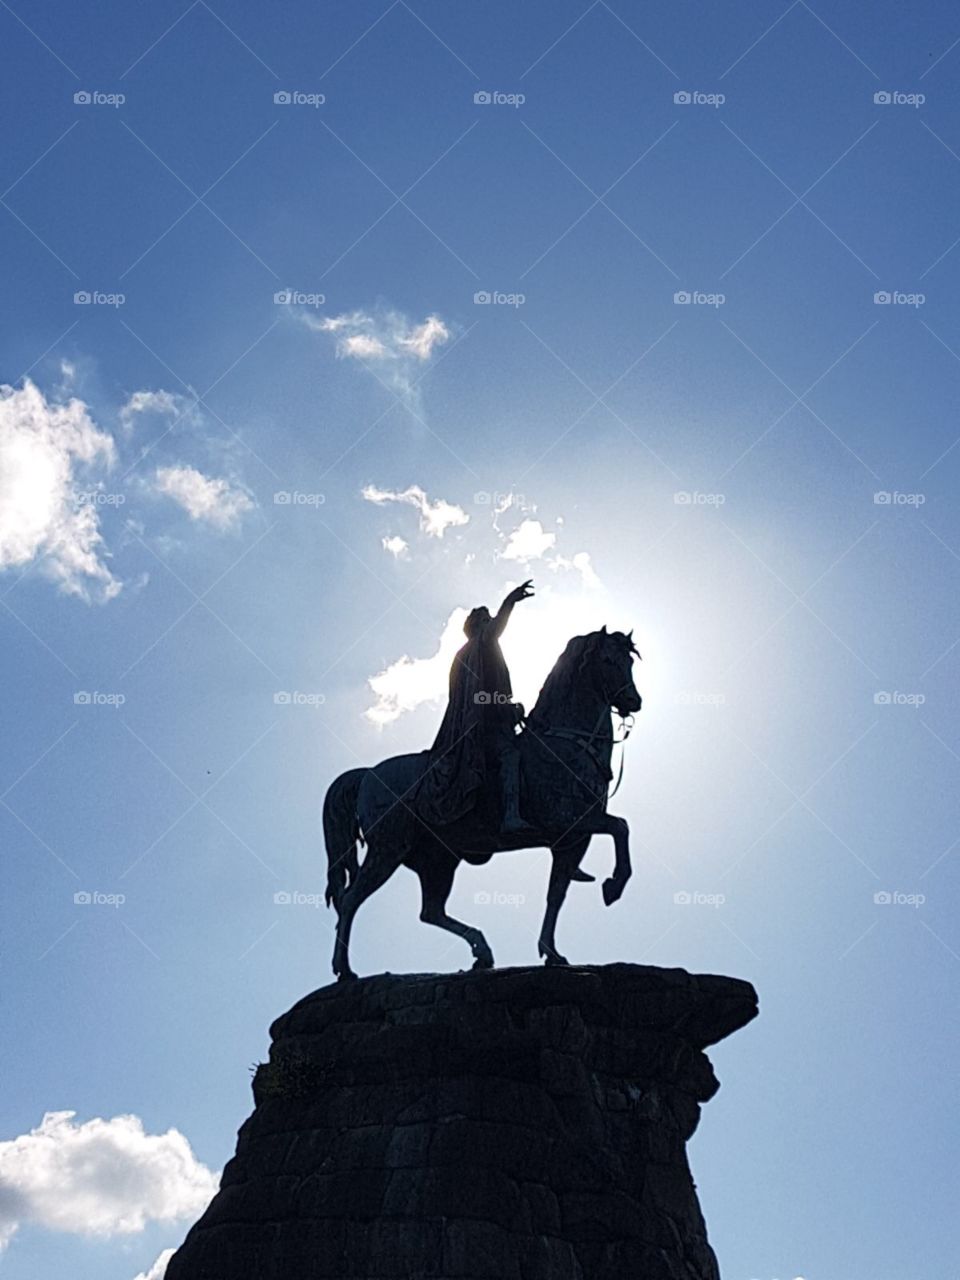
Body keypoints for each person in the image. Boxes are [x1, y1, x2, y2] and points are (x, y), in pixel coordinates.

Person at [417, 580, 535, 832]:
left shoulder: (465, 654)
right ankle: (511, 816)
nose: (490, 621)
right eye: (486, 619)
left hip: (480, 722)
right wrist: (510, 601)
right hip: (483, 727)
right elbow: (483, 698)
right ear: (478, 626)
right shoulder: (483, 642)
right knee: (511, 756)